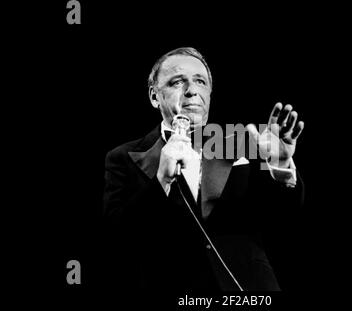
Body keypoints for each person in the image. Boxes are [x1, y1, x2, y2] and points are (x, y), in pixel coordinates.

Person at [103, 47, 305, 292]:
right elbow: (119, 240)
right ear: (154, 97)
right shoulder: (122, 157)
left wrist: (280, 165)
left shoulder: (242, 142)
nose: (192, 90)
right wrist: (160, 181)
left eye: (200, 81)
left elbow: (284, 219)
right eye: (177, 82)